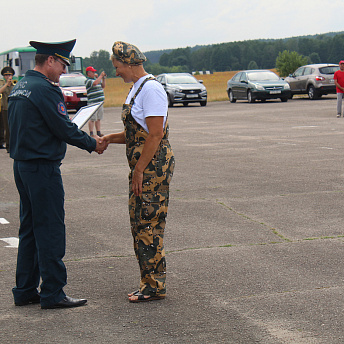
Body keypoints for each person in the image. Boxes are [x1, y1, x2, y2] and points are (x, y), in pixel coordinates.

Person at [8, 39, 108, 309]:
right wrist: (92, 143)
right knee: (50, 229)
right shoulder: (45, 90)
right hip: (42, 168)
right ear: (50, 60)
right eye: (62, 64)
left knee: (29, 229)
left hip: (22, 166)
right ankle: (52, 292)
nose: (63, 71)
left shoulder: (21, 86)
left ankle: (25, 290)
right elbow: (63, 128)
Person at [102, 41, 175, 303]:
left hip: (152, 169)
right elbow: (137, 133)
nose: (116, 71)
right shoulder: (136, 88)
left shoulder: (151, 89)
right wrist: (110, 138)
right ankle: (147, 282)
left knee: (149, 223)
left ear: (131, 64)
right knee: (139, 223)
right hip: (143, 168)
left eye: (118, 66)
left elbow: (155, 135)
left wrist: (139, 170)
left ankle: (155, 286)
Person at [85, 66, 106, 136]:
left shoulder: (96, 79)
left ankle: (98, 132)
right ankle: (91, 133)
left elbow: (103, 86)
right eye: (92, 72)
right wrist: (100, 76)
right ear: (88, 73)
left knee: (98, 118)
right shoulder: (88, 81)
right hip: (93, 102)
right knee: (92, 118)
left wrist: (103, 78)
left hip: (99, 102)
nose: (94, 73)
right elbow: (95, 83)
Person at [0, 66, 15, 152]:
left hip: (13, 109)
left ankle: (13, 145)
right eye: (6, 75)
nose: (8, 77)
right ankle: (8, 146)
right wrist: (6, 84)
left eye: (10, 75)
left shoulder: (15, 85)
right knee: (7, 128)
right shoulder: (3, 85)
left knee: (14, 127)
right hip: (5, 109)